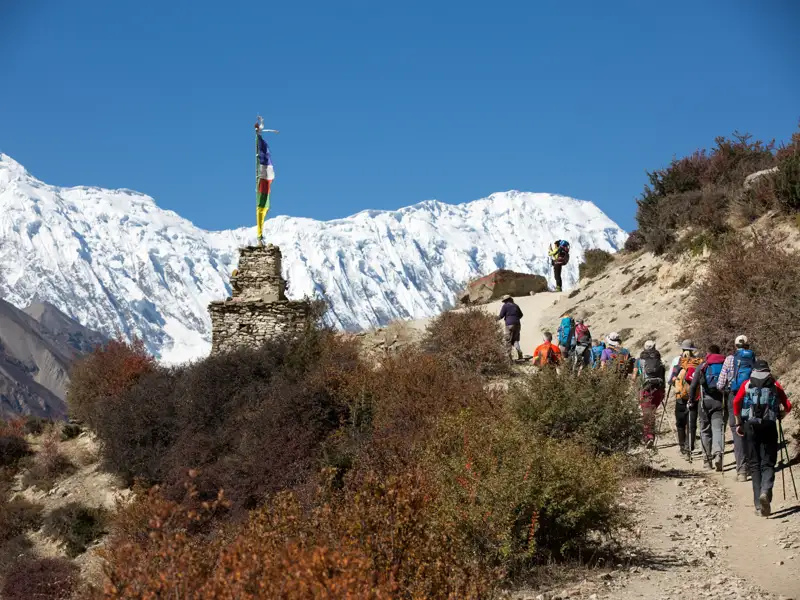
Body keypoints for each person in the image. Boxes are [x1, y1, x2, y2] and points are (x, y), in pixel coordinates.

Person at [733, 360, 792, 516]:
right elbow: (788, 405)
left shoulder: (747, 383)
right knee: (768, 463)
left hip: (750, 426)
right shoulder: (774, 383)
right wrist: (781, 415)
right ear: (767, 370)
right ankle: (765, 491)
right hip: (769, 425)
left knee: (754, 465)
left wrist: (739, 421)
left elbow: (736, 401)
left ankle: (759, 506)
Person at [717, 335, 755, 482]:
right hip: (751, 397)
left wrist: (725, 389)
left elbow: (720, 383)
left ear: (735, 346)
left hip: (734, 397)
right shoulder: (753, 358)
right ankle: (754, 465)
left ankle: (742, 471)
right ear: (747, 345)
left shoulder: (729, 359)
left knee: (737, 430)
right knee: (750, 429)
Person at [690, 344, 726, 471]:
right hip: (719, 401)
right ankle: (718, 454)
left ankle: (707, 461)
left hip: (704, 402)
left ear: (708, 353)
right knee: (717, 429)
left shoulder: (703, 366)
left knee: (705, 430)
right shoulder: (723, 365)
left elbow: (693, 386)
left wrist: (691, 401)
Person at [669, 340, 704, 459]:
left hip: (680, 398)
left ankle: (682, 447)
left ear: (683, 349)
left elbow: (670, 380)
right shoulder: (698, 362)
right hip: (694, 397)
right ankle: (690, 446)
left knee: (680, 423)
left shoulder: (677, 362)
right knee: (692, 423)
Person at [634, 340, 666, 447]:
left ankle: (648, 437)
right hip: (658, 389)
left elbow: (634, 376)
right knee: (652, 412)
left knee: (647, 414)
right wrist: (663, 391)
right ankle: (651, 435)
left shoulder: (639, 360)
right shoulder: (659, 360)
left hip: (645, 389)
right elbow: (663, 376)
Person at [255, 118, 279, 245]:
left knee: (260, 207)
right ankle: (259, 235)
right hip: (262, 176)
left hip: (263, 175)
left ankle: (260, 236)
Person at [497, 295, 524, 360]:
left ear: (506, 301)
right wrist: (515, 318)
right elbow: (521, 315)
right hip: (517, 324)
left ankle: (509, 358)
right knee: (516, 340)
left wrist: (494, 319)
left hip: (509, 324)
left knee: (508, 341)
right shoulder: (516, 305)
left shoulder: (505, 306)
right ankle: (519, 352)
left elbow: (501, 315)